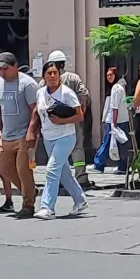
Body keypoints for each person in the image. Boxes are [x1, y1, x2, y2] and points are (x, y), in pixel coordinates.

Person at [33, 61, 88, 219]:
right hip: (48, 138)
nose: (52, 76)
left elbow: (79, 115)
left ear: (59, 75)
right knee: (63, 173)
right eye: (49, 73)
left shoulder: (67, 93)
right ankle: (80, 200)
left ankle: (47, 207)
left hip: (65, 136)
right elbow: (39, 113)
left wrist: (62, 121)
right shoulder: (40, 92)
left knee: (51, 170)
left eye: (55, 73)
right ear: (44, 76)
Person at [39, 50, 93, 189]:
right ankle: (80, 177)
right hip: (72, 120)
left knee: (56, 154)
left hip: (52, 123)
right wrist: (81, 110)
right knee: (77, 149)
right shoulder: (73, 78)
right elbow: (84, 94)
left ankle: (60, 180)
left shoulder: (43, 82)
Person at [0, 52, 38, 218]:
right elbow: (1, 108)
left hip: (23, 134)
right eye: (0, 69)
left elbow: (35, 110)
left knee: (23, 170)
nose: (2, 73)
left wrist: (31, 132)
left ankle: (28, 205)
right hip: (6, 135)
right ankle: (30, 191)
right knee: (4, 168)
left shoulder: (27, 84)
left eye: (5, 68)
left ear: (14, 66)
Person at [93, 67, 129, 175]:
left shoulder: (116, 88)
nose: (109, 77)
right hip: (120, 119)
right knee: (120, 143)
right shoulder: (118, 86)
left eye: (111, 75)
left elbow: (115, 107)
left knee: (107, 142)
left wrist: (113, 123)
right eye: (107, 75)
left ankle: (99, 164)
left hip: (114, 120)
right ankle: (122, 166)